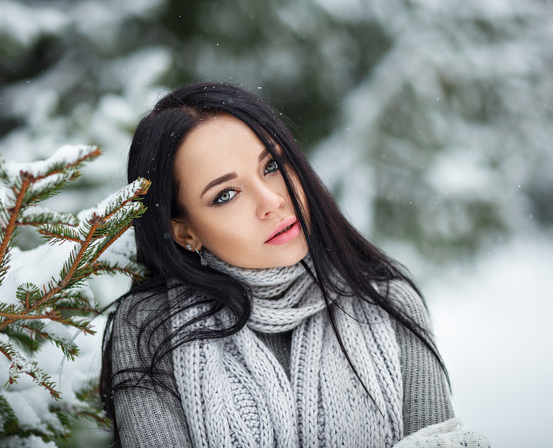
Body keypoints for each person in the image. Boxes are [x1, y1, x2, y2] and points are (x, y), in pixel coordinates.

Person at [100, 82, 487, 447]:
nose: (271, 200)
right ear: (185, 232)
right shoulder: (151, 328)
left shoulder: (386, 301)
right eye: (226, 194)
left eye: (271, 166)